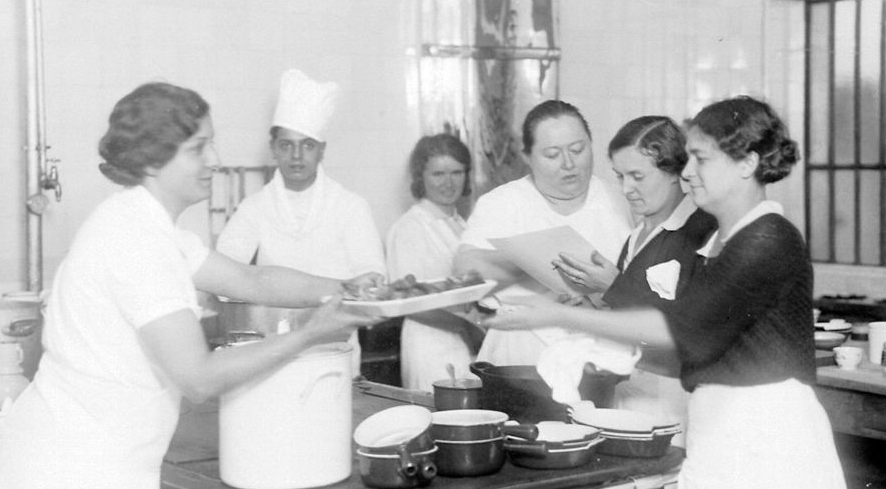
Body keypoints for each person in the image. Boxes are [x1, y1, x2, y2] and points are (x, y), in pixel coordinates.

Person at [0, 82, 383, 489]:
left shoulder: (154, 228)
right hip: (70, 478)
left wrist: (348, 290)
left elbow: (251, 280)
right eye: (198, 148)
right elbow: (197, 377)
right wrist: (310, 333)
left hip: (99, 468)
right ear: (154, 159)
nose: (215, 160)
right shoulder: (134, 240)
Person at [488, 96, 852, 489]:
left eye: (701, 159)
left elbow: (680, 331)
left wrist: (555, 313)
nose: (688, 173)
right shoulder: (726, 240)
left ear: (747, 164)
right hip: (726, 429)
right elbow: (684, 341)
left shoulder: (768, 239)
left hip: (769, 437)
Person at [551, 117, 717, 444]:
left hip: (679, 401)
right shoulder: (636, 236)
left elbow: (690, 330)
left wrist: (614, 286)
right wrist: (588, 309)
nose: (626, 189)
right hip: (631, 394)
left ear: (674, 172)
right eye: (620, 176)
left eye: (637, 176)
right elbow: (629, 323)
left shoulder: (701, 232)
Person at [216, 69, 386, 373]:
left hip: (337, 350)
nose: (296, 155)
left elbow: (372, 278)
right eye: (286, 145)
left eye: (307, 145)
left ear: (322, 149)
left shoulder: (350, 207)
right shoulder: (254, 208)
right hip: (273, 350)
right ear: (273, 149)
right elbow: (223, 275)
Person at [454, 99, 634, 366]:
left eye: (578, 149)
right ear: (527, 157)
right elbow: (465, 271)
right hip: (520, 351)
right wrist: (539, 265)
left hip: (602, 351)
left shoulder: (620, 199)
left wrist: (599, 298)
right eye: (552, 155)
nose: (569, 163)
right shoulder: (504, 202)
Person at [386, 134, 482, 391]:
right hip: (430, 344)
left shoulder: (462, 224)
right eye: (438, 174)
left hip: (466, 342)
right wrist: (470, 329)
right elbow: (409, 303)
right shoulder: (410, 228)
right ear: (421, 177)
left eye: (456, 172)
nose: (448, 183)